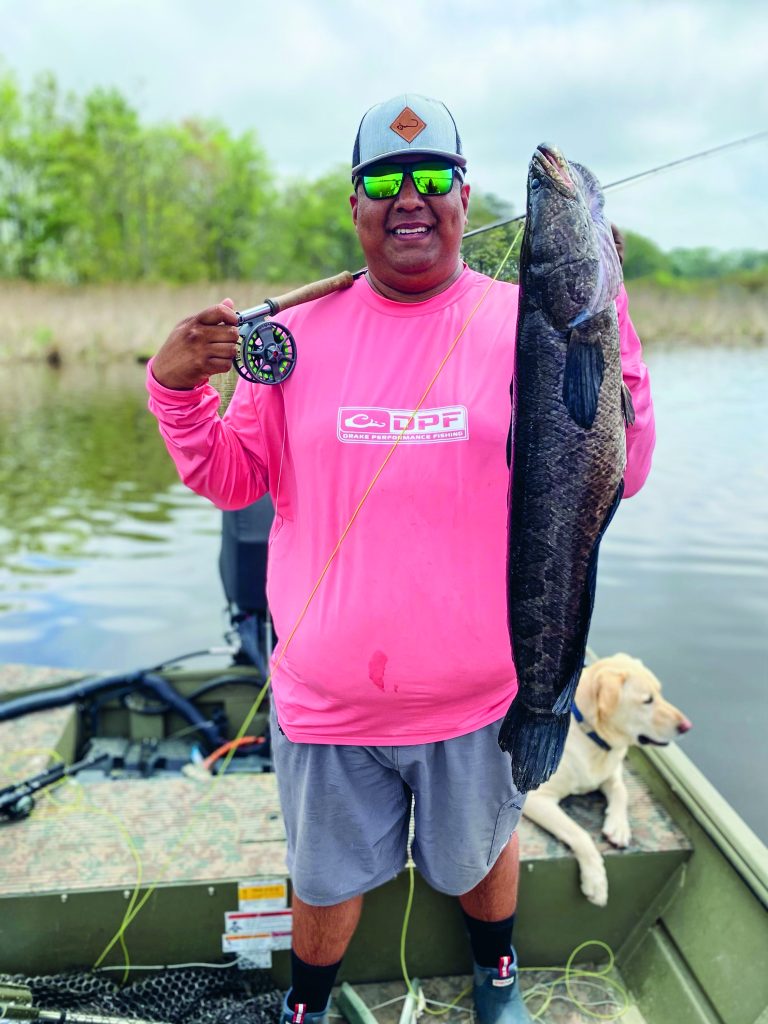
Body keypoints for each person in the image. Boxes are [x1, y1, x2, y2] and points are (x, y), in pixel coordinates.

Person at [147, 93, 656, 1024]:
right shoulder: (295, 337)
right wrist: (176, 392)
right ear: (356, 205)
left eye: (431, 176)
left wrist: (610, 320)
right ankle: (308, 1004)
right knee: (324, 879)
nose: (408, 196)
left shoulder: (532, 321)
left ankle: (496, 977)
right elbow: (230, 477)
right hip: (327, 705)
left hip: (483, 697)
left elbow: (624, 468)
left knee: (482, 855)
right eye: (384, 180)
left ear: (463, 194)